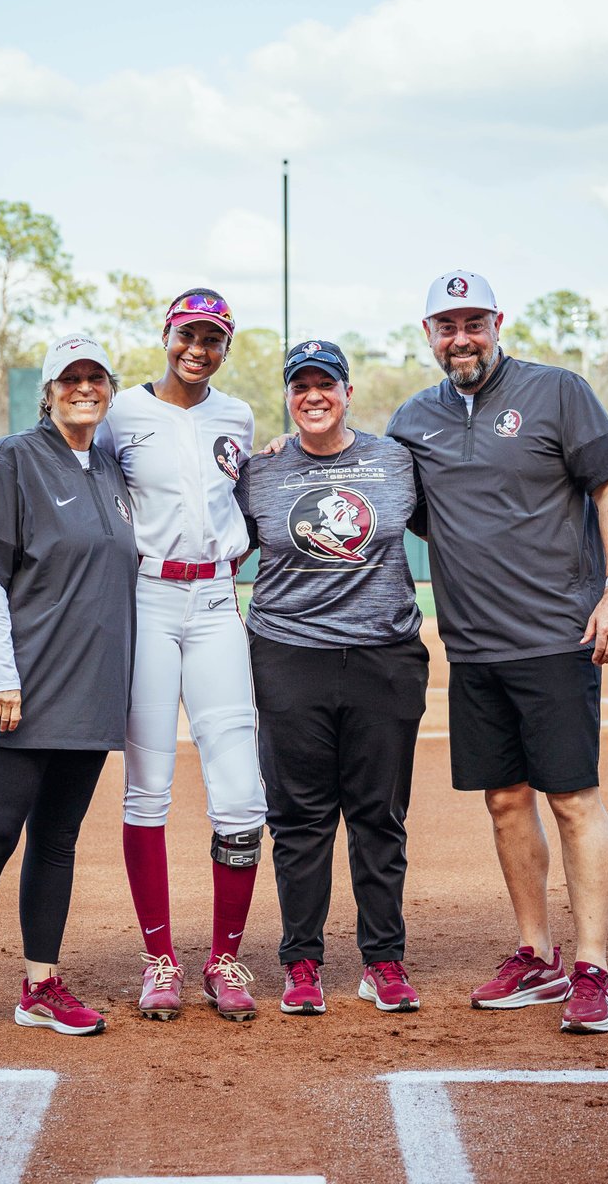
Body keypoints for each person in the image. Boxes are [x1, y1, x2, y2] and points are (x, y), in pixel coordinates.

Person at [386, 271, 608, 1034]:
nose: (460, 338)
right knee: (504, 801)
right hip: (474, 645)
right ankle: (537, 954)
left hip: (557, 636)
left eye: (473, 322)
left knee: (571, 797)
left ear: (497, 322)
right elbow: (380, 491)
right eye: (445, 325)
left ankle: (592, 965)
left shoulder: (559, 392)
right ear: (427, 334)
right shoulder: (411, 421)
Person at [0, 333, 137, 1047]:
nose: (83, 387)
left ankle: (40, 985)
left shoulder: (107, 466)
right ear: (48, 390)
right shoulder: (11, 458)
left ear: (109, 386)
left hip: (90, 688)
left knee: (58, 840)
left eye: (94, 376)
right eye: (69, 378)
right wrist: (1, 678)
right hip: (21, 685)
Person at [237, 339, 429, 1015]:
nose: (313, 396)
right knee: (300, 818)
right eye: (300, 386)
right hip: (290, 655)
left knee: (380, 815)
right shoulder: (258, 473)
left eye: (326, 384)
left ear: (347, 392)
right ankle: (302, 963)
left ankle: (384, 960)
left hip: (384, 656)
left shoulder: (395, 461)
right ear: (287, 398)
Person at [95, 288, 266, 1022]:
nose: (199, 348)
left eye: (214, 339)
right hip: (148, 599)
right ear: (166, 334)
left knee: (241, 790)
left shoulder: (238, 416)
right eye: (188, 334)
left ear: (226, 347)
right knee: (148, 787)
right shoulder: (120, 415)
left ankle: (225, 959)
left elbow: (247, 501)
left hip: (219, 600)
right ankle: (159, 958)